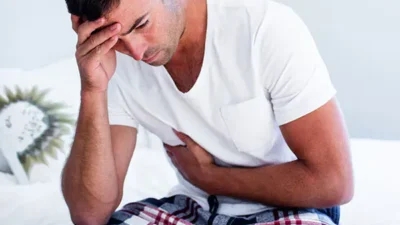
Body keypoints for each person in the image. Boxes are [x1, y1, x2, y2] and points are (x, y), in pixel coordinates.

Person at [61, 0, 354, 224]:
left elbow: (334, 183)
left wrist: (209, 178)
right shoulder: (111, 62)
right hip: (195, 208)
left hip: (291, 207)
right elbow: (90, 215)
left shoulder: (264, 29)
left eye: (142, 24)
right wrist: (93, 91)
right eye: (117, 39)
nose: (136, 51)